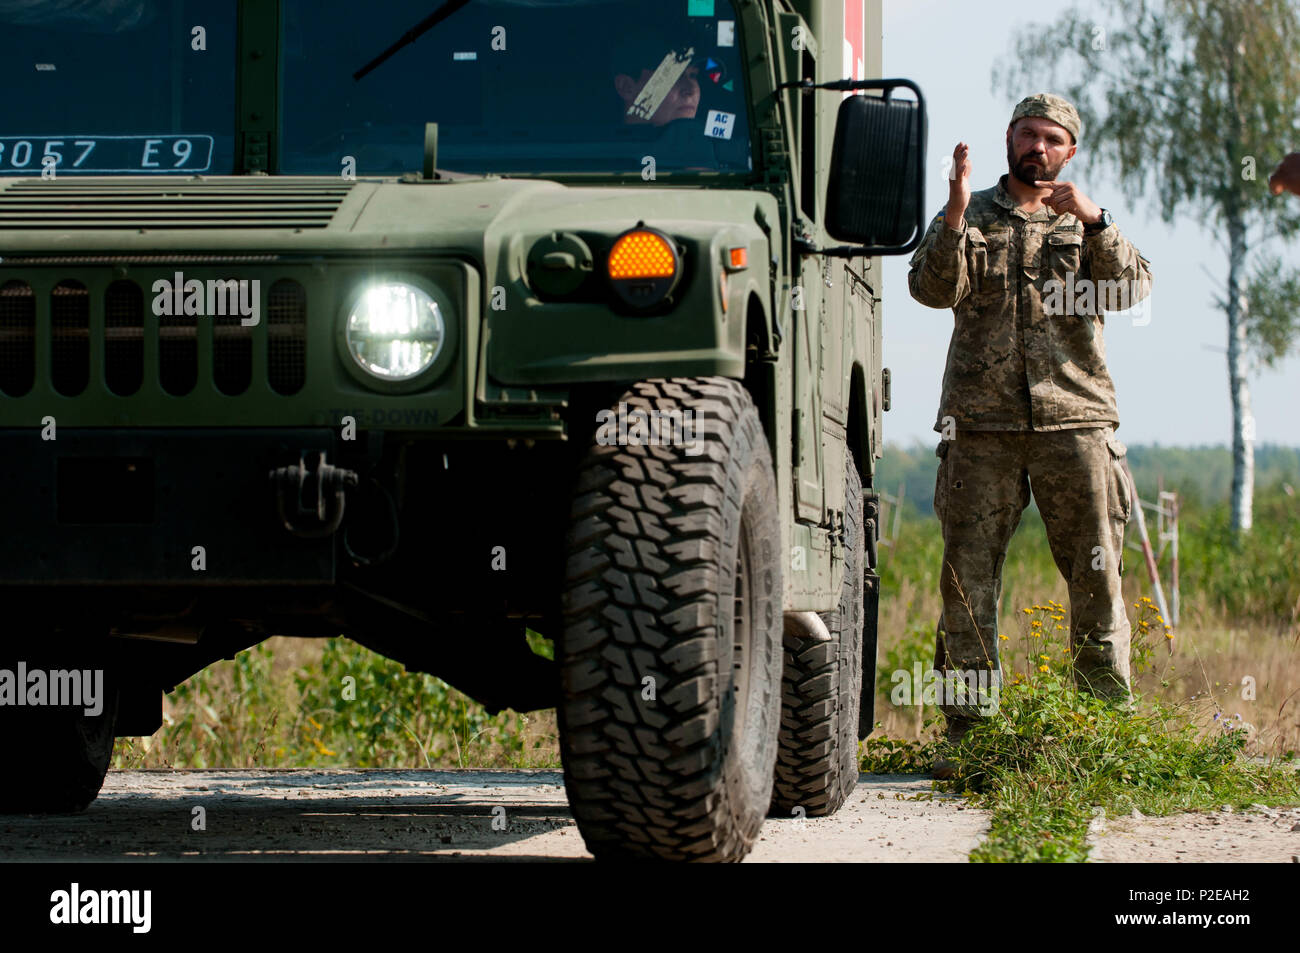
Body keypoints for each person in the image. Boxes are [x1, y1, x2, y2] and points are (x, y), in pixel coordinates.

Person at [907, 93, 1154, 778]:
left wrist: (1097, 222)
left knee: (1097, 578)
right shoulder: (972, 214)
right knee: (968, 583)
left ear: (1069, 150)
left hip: (1075, 421)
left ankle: (1102, 734)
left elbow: (1133, 293)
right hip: (980, 426)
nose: (1036, 147)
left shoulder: (1085, 223)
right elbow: (930, 289)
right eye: (1026, 134)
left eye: (1051, 138)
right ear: (1009, 138)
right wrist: (955, 211)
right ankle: (970, 741)